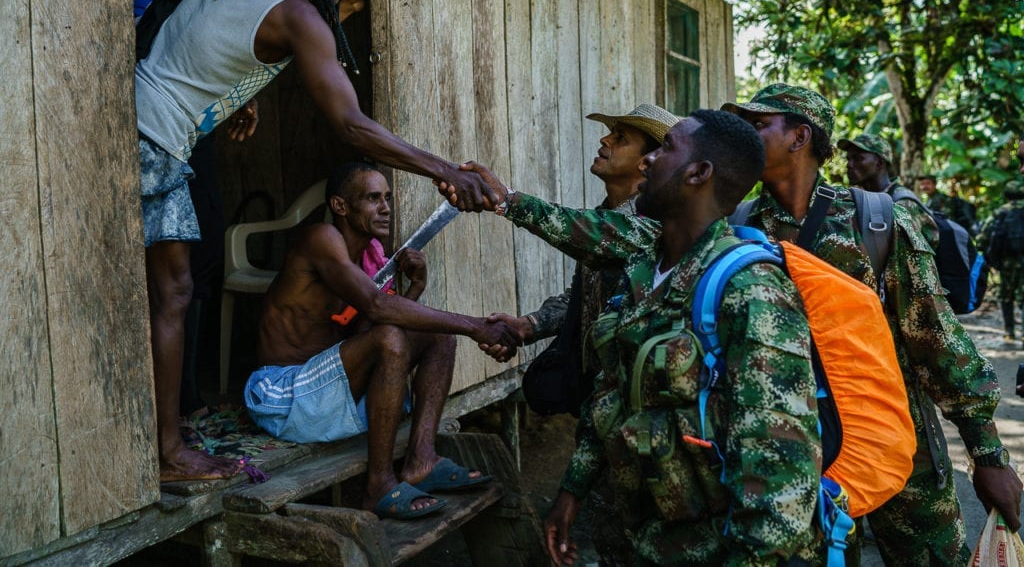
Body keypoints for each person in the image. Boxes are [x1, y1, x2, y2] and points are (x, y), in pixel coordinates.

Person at [135, 0, 499, 481]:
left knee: (169, 291)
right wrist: (445, 172)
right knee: (174, 294)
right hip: (155, 134)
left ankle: (168, 436)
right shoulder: (300, 15)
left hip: (140, 112)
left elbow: (203, 35)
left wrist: (234, 95)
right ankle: (170, 451)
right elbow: (352, 124)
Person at [457, 110, 823, 564]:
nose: (649, 161)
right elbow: (612, 396)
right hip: (642, 534)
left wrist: (506, 199)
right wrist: (571, 492)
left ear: (699, 173)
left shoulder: (753, 292)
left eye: (666, 149)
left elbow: (783, 489)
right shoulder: (644, 272)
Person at [723, 83, 1022, 564]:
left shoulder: (877, 221)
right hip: (794, 453)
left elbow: (936, 340)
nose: (741, 136)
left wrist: (988, 455)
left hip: (899, 448)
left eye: (757, 125)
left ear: (800, 137)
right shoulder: (736, 227)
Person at [245, 163, 519, 518]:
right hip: (283, 396)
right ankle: (378, 486)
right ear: (341, 206)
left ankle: (421, 459)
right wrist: (476, 326)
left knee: (438, 337)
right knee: (391, 336)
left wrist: (416, 288)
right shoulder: (321, 239)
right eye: (373, 198)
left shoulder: (366, 257)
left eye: (387, 197)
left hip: (325, 395)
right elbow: (379, 312)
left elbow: (365, 336)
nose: (386, 207)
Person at [488, 103, 674, 565]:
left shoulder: (651, 223)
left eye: (622, 138)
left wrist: (505, 198)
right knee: (609, 529)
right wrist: (531, 324)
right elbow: (581, 297)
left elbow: (587, 233)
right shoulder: (605, 216)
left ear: (650, 161)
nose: (605, 141)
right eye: (610, 133)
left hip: (640, 415)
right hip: (601, 407)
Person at [132, 0, 259, 418]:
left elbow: (229, 53)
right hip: (130, 130)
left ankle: (187, 397)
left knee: (198, 254)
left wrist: (242, 99)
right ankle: (146, 404)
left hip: (189, 133)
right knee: (140, 264)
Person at [840, 132, 939, 250]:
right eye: (848, 159)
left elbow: (912, 258)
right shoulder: (858, 199)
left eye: (858, 159)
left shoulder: (902, 203)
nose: (849, 165)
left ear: (879, 163)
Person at [977, 171, 1024, 343]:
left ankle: (1009, 333)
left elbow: (984, 237)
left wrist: (987, 255)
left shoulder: (1000, 212)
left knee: (1006, 296)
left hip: (1006, 262)